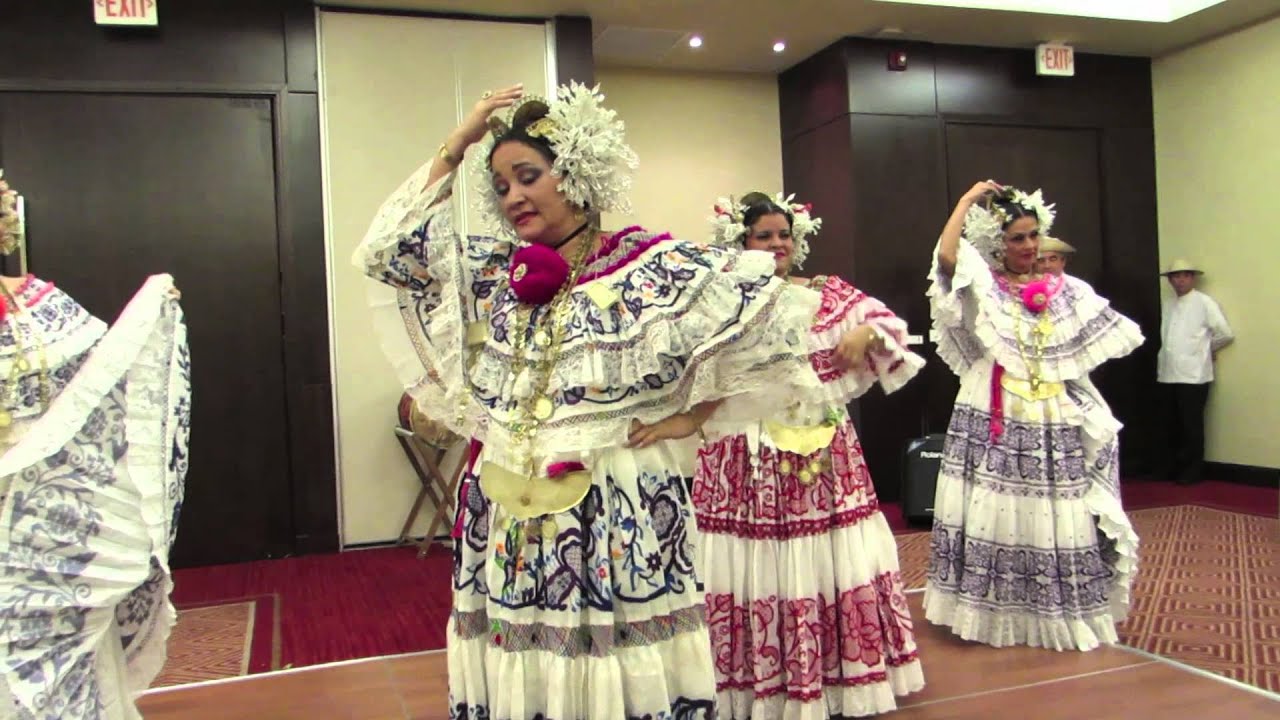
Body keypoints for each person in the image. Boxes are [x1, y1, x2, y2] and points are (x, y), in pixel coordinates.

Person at [352, 84, 823, 719]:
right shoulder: (499, 273)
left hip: (615, 499)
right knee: (527, 660)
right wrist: (458, 144)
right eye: (501, 186)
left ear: (575, 171)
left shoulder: (649, 265)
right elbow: (389, 253)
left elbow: (770, 330)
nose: (513, 195)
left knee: (613, 667)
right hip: (510, 502)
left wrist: (688, 415)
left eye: (528, 176)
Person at [694, 191, 925, 718]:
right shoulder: (721, 301)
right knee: (756, 560)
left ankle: (836, 676)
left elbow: (890, 327)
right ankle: (757, 682)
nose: (777, 244)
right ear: (741, 242)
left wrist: (865, 330)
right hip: (746, 454)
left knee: (826, 556)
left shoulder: (825, 293)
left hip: (822, 452)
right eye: (763, 236)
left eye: (783, 235)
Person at [0, 170, 192, 719]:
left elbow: (102, 377)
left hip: (46, 520)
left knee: (64, 664)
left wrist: (150, 323)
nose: (10, 199)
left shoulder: (38, 306)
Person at [924, 180, 1143, 651]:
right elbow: (946, 262)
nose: (1027, 246)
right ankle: (992, 609)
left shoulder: (1067, 291)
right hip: (993, 403)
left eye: (1031, 236)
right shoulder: (983, 283)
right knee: (995, 506)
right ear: (996, 244)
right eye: (1016, 238)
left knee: (1053, 505)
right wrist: (964, 201)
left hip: (1047, 410)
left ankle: (1051, 609)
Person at [1157, 258, 1233, 485]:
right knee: (1172, 423)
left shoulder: (1204, 302)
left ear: (1193, 278)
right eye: (1175, 276)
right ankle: (1172, 468)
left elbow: (1225, 333)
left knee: (1191, 425)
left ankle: (1192, 472)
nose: (1180, 280)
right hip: (1168, 372)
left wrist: (1208, 349)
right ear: (1170, 280)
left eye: (1185, 275)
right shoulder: (1168, 304)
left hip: (1194, 374)